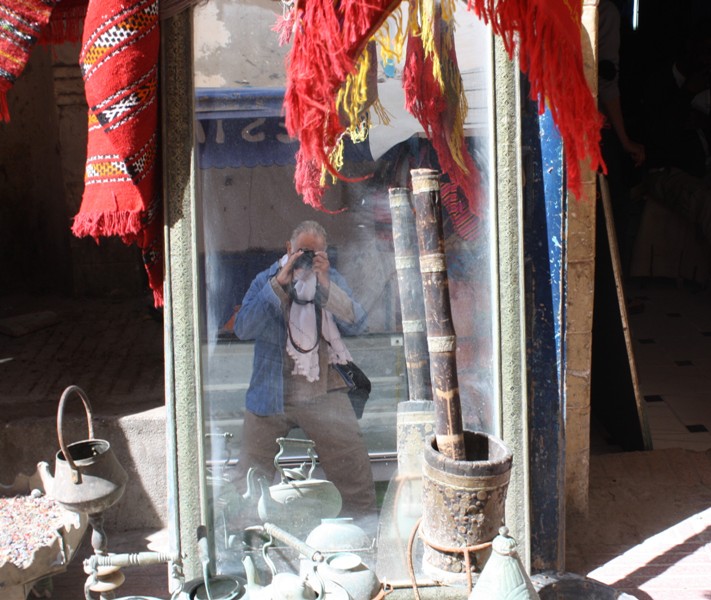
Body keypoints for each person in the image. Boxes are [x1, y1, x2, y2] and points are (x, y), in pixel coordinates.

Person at [233, 220, 377, 521]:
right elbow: (244, 328)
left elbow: (359, 324)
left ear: (325, 255)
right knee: (248, 479)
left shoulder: (330, 278)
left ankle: (363, 534)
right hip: (271, 393)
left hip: (323, 389)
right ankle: (244, 540)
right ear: (289, 249)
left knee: (354, 474)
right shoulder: (267, 279)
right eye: (302, 252)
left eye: (315, 253)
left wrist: (326, 285)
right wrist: (279, 285)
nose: (307, 259)